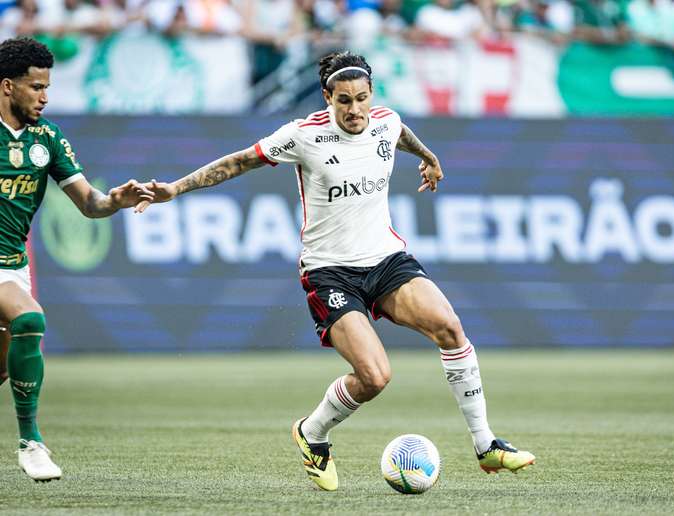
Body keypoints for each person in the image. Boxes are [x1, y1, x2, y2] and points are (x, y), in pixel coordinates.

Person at [134, 50, 535, 491]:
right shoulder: (303, 136)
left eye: (362, 98)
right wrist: (175, 187)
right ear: (327, 97)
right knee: (375, 377)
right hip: (330, 272)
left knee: (451, 328)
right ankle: (312, 433)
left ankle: (485, 445)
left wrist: (428, 156)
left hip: (386, 260)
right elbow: (238, 161)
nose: (355, 110)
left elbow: (399, 131)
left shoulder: (384, 120)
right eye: (344, 100)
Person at [0, 36, 153, 482]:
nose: (44, 97)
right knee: (30, 320)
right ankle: (31, 443)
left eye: (48, 87)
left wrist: (115, 201)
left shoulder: (47, 138)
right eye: (35, 87)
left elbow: (89, 203)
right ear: (7, 86)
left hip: (11, 264)